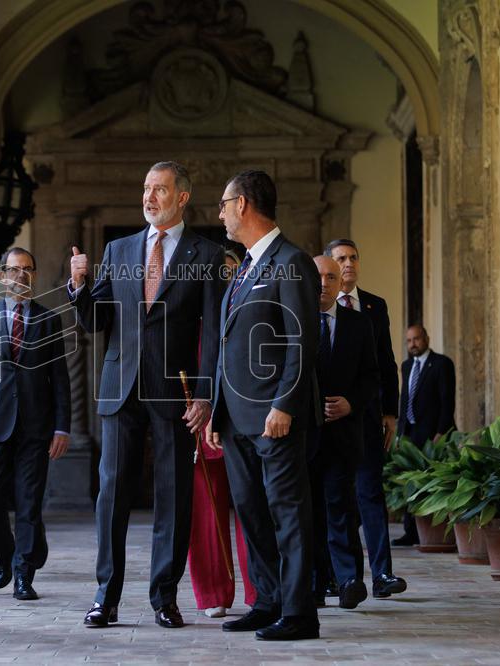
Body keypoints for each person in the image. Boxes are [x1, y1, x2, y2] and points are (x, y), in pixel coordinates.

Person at [69, 161, 225, 629]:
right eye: (145, 189)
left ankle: (164, 597)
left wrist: (205, 395)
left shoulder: (207, 254)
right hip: (120, 387)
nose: (149, 196)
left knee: (173, 496)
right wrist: (79, 286)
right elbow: (97, 322)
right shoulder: (117, 249)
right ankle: (105, 597)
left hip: (175, 392)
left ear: (182, 198)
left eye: (159, 189)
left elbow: (214, 332)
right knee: (111, 494)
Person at [207, 169, 320, 641]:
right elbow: (225, 344)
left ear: (244, 205)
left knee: (287, 513)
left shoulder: (292, 261)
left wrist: (285, 405)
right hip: (235, 421)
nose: (220, 214)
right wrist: (217, 412)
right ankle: (268, 601)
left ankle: (298, 613)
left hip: (275, 417)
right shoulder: (246, 266)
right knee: (251, 514)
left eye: (224, 204)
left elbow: (302, 342)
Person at [0, 247, 71, 601]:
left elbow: (59, 378)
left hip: (36, 426)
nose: (22, 276)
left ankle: (22, 573)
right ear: (3, 276)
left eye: (28, 270)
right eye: (15, 270)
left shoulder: (49, 320)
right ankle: (5, 556)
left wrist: (62, 427)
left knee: (29, 502)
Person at [324, 238, 408, 599]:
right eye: (341, 258)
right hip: (329, 420)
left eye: (353, 257)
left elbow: (385, 364)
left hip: (367, 417)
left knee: (371, 493)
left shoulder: (375, 305)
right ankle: (336, 575)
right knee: (333, 498)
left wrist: (390, 412)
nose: (348, 264)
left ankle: (383, 574)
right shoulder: (316, 306)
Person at [188, 249, 256, 618]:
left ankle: (259, 591)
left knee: (251, 510)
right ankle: (214, 593)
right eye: (217, 274)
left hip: (245, 423)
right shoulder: (190, 320)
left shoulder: (252, 315)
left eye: (231, 272)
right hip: (203, 425)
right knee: (206, 513)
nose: (224, 279)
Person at [309, 255, 379, 610]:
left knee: (341, 507)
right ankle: (316, 583)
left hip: (343, 434)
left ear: (341, 284)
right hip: (303, 436)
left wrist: (352, 403)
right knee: (308, 513)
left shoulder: (358, 324)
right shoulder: (293, 321)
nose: (323, 283)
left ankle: (350, 579)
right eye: (318, 276)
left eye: (330, 277)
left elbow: (371, 374)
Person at [393, 324, 457, 544]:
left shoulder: (442, 364)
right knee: (410, 484)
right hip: (411, 435)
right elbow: (404, 400)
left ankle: (438, 533)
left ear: (427, 338)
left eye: (417, 339)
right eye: (409, 341)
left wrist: (441, 431)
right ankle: (411, 532)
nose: (413, 344)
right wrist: (400, 433)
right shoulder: (407, 365)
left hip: (433, 436)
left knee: (432, 484)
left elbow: (447, 401)